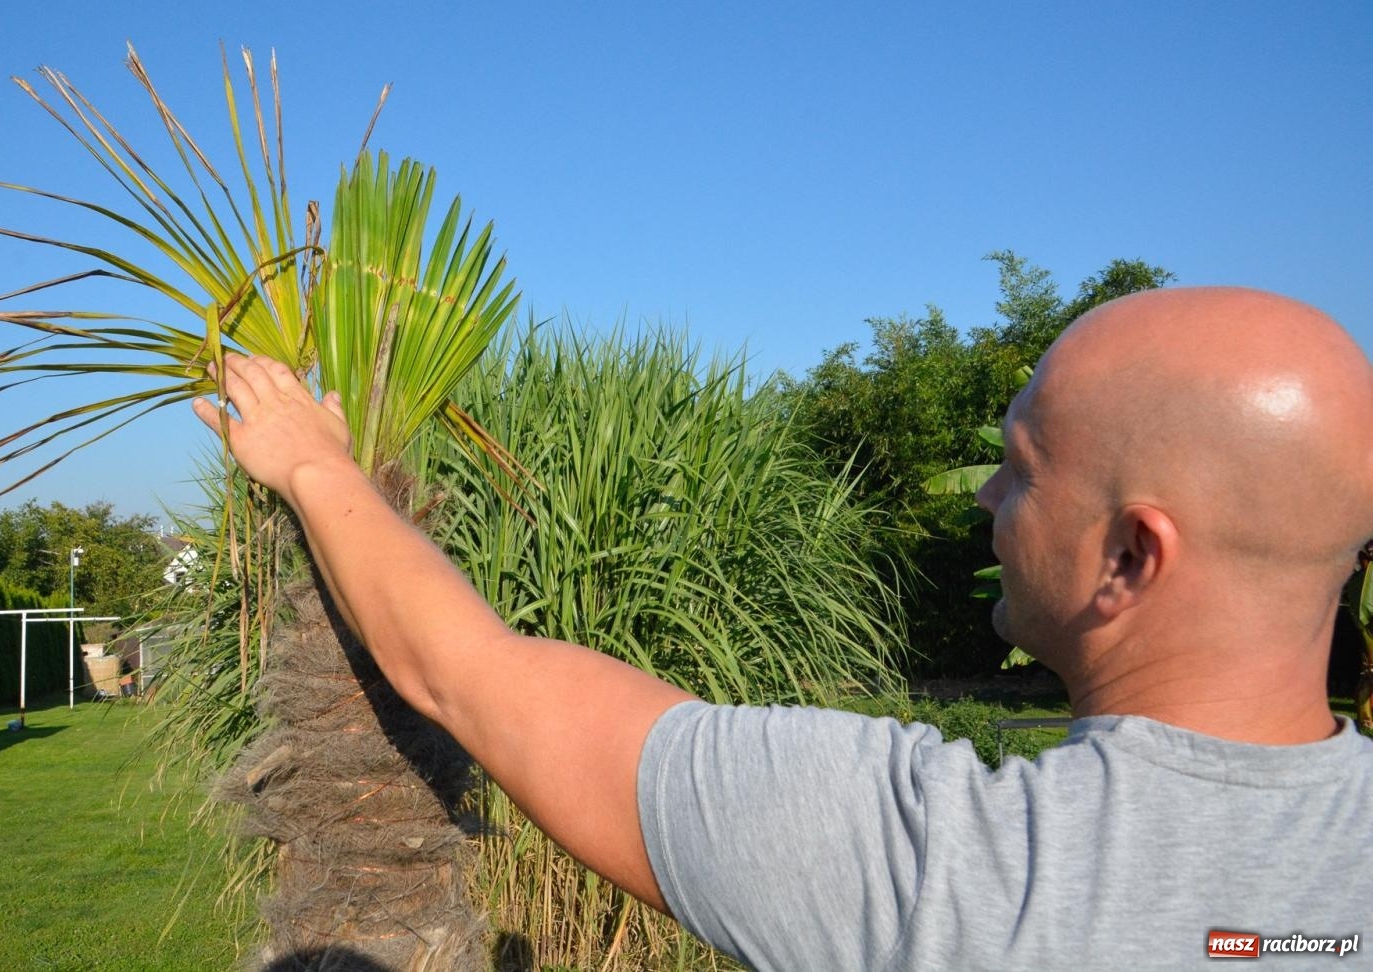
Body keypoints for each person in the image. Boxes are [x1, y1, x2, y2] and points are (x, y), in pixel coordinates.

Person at [193, 287, 1373, 970]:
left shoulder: (933, 862)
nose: (983, 496)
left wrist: (313, 464)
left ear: (1130, 555)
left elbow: (466, 673)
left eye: (1020, 466)